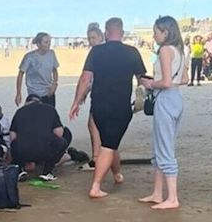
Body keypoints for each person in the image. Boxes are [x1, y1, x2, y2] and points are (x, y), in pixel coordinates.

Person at [69, 17, 146, 198]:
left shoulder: (96, 52)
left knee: (110, 142)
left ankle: (117, 174)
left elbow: (85, 78)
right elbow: (142, 80)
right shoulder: (132, 52)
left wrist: (76, 101)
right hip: (120, 107)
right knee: (109, 145)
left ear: (106, 32)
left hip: (99, 107)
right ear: (122, 32)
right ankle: (95, 187)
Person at [138, 16, 188, 210]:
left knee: (164, 148)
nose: (153, 36)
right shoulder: (180, 51)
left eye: (156, 32)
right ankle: (158, 193)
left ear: (165, 33)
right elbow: (183, 79)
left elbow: (166, 82)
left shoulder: (166, 50)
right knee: (161, 146)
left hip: (166, 99)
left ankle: (172, 198)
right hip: (175, 99)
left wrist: (150, 83)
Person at [10, 94, 72, 181]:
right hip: (44, 150)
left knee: (15, 144)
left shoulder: (19, 111)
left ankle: (20, 170)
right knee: (62, 142)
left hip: (23, 152)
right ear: (40, 102)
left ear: (26, 103)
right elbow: (59, 133)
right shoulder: (50, 109)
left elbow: (12, 137)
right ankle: (46, 172)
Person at [80, 22, 105, 171]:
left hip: (100, 95)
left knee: (93, 124)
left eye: (94, 37)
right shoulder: (103, 51)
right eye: (89, 38)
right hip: (101, 93)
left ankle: (96, 159)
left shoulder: (97, 53)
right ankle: (100, 157)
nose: (91, 41)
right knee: (97, 125)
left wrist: (82, 94)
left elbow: (88, 77)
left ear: (101, 36)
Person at [15, 32, 59, 107]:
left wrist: (54, 84)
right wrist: (18, 93)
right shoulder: (29, 57)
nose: (49, 44)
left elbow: (55, 70)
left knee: (49, 116)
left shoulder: (52, 54)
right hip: (34, 94)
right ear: (38, 44)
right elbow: (20, 74)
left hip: (49, 93)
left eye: (49, 42)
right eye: (46, 42)